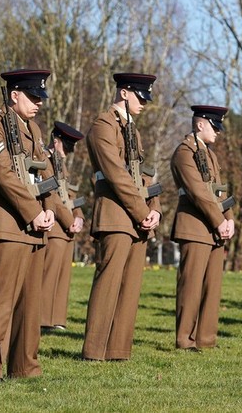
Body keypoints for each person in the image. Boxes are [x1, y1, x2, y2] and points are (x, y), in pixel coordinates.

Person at [0, 69, 64, 381]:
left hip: (34, 226)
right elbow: (3, 176)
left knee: (30, 304)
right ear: (14, 95)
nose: (39, 102)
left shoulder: (34, 130)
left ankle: (24, 368)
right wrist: (33, 212)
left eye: (41, 97)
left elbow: (46, 175)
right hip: (6, 223)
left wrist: (49, 208)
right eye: (33, 96)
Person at [82, 72, 161, 361]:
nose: (144, 103)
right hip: (116, 214)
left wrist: (155, 209)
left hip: (137, 216)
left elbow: (142, 174)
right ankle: (94, 350)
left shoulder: (132, 130)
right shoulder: (104, 125)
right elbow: (116, 174)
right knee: (109, 282)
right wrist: (143, 211)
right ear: (124, 93)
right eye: (140, 97)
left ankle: (118, 349)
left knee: (130, 287)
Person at [170, 105, 235, 350]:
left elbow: (219, 190)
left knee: (211, 286)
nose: (218, 132)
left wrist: (229, 218)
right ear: (200, 125)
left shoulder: (210, 154)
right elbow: (197, 192)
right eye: (215, 126)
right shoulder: (184, 153)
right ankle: (185, 339)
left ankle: (206, 338)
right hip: (195, 225)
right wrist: (220, 221)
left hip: (215, 226)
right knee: (191, 285)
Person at [41, 121, 85, 331]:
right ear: (56, 141)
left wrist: (79, 216)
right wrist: (69, 220)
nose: (67, 153)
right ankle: (44, 318)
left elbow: (70, 193)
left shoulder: (61, 163)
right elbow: (52, 196)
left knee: (63, 275)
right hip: (55, 225)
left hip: (67, 226)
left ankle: (57, 317)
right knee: (50, 274)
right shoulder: (45, 160)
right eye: (66, 147)